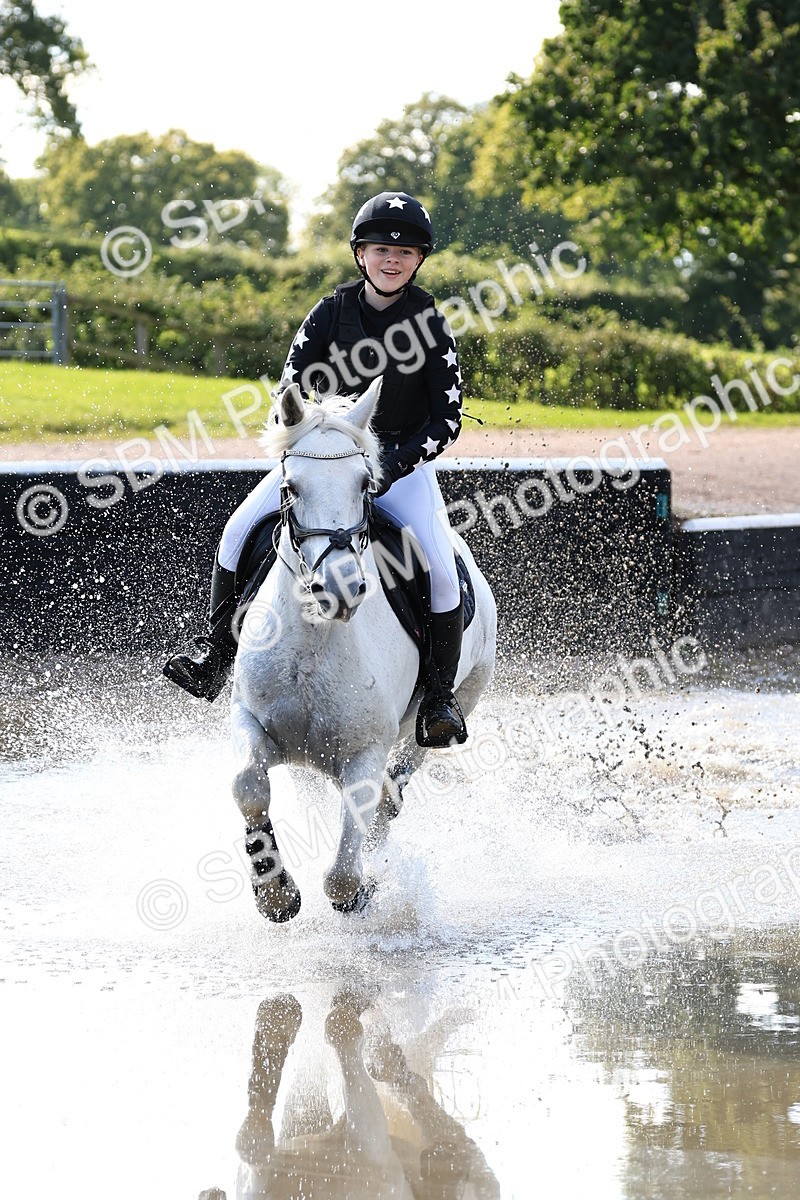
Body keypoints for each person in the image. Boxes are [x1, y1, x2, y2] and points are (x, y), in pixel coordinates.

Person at [164, 191, 467, 746]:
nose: (391, 259)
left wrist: (392, 465)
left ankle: (439, 699)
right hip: (324, 456)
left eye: (404, 251)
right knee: (236, 533)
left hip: (398, 466)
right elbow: (289, 390)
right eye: (380, 249)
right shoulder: (329, 312)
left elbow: (448, 419)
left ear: (419, 259)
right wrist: (311, 439)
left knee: (442, 570)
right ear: (361, 255)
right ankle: (215, 655)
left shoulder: (432, 323)